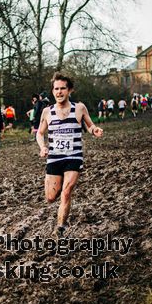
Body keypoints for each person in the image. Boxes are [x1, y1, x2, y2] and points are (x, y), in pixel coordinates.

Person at [36, 72, 103, 237]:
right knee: (51, 197)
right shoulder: (47, 112)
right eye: (56, 89)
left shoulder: (79, 108)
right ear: (52, 91)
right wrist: (43, 147)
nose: (59, 92)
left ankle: (61, 227)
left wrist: (95, 130)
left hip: (74, 156)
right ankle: (58, 192)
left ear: (70, 90)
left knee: (66, 192)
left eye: (63, 89)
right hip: (54, 157)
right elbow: (39, 133)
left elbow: (89, 125)